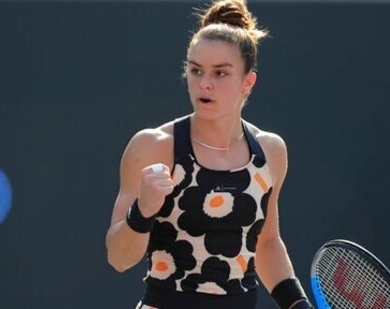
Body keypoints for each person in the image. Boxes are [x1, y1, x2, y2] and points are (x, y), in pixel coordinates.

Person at [105, 0, 314, 308]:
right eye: (195, 70)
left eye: (220, 73)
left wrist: (297, 305)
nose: (204, 84)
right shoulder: (153, 146)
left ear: (248, 82)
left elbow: (266, 244)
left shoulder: (270, 151)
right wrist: (143, 210)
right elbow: (118, 258)